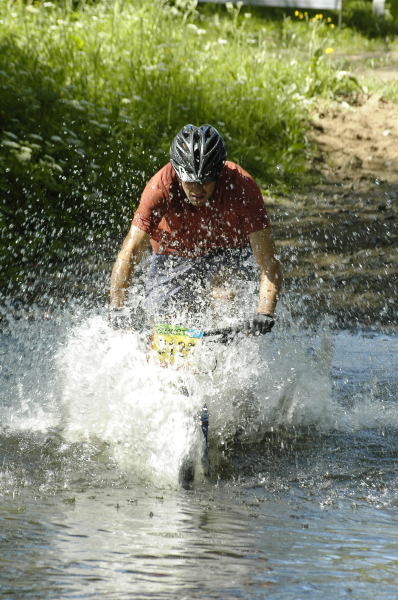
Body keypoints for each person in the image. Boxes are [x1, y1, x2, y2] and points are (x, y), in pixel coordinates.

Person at [109, 124, 282, 333]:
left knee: (223, 297)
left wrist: (264, 312)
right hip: (173, 253)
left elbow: (267, 260)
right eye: (190, 181)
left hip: (229, 251)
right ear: (177, 171)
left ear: (218, 172)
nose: (197, 189)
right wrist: (117, 307)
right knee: (164, 316)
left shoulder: (242, 186)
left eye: (206, 181)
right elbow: (131, 250)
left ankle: (223, 355)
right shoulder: (160, 186)